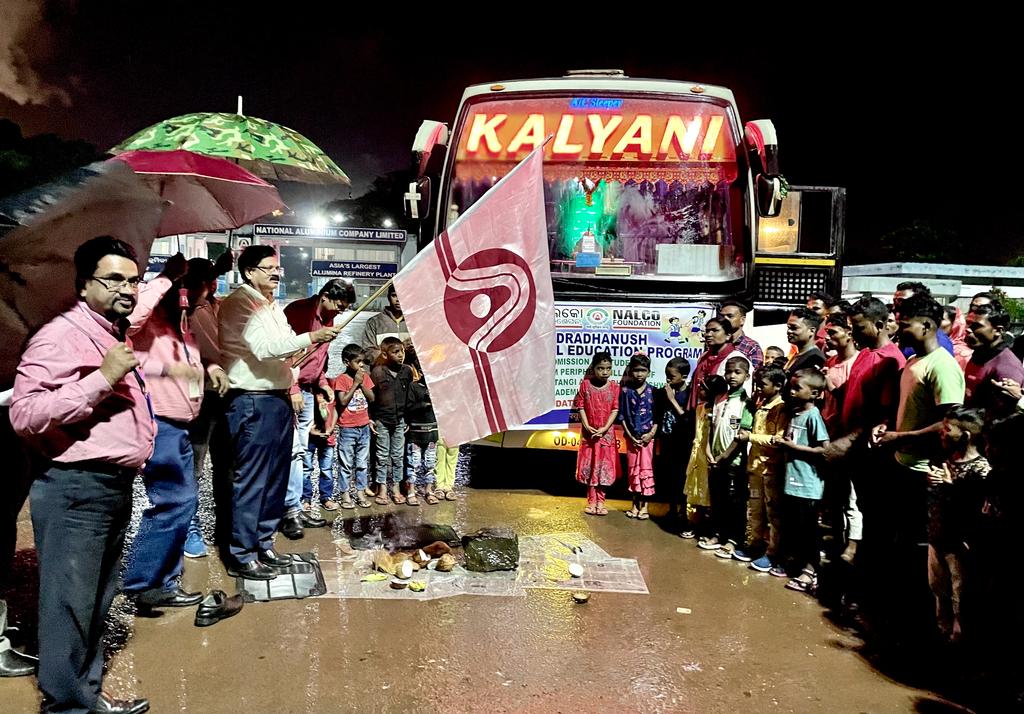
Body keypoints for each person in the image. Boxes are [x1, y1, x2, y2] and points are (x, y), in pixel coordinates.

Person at [10, 236, 155, 714]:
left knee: (93, 602)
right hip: (76, 488)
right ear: (83, 284)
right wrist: (102, 378)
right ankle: (67, 706)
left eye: (133, 280)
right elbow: (25, 414)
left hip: (108, 486)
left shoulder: (110, 332)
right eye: (113, 279)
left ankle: (85, 696)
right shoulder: (60, 336)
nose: (127, 289)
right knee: (69, 606)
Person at [218, 245, 340, 579]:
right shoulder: (240, 304)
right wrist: (311, 336)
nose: (276, 273)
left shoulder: (271, 305)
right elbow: (265, 348)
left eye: (277, 268)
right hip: (253, 400)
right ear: (249, 272)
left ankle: (263, 544)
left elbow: (287, 347)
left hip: (277, 398)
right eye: (268, 268)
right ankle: (242, 554)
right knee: (253, 480)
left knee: (275, 478)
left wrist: (308, 348)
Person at [122, 254, 231, 611]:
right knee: (174, 501)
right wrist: (166, 277)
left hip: (182, 424)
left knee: (180, 502)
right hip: (161, 423)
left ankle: (162, 580)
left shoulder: (180, 323)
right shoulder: (147, 317)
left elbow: (191, 360)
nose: (200, 299)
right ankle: (144, 582)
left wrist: (210, 367)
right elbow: (130, 322)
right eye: (194, 291)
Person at [872, 293, 964, 567]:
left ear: (926, 326)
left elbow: (951, 424)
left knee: (916, 545)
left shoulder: (942, 366)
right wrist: (887, 426)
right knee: (899, 537)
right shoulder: (914, 361)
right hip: (903, 463)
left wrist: (900, 437)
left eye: (904, 325)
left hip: (924, 471)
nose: (898, 331)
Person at [284, 279, 353, 531]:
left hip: (308, 390)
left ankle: (295, 508)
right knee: (290, 453)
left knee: (300, 453)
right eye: (339, 306)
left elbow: (318, 357)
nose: (340, 312)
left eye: (344, 308)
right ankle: (287, 510)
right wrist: (292, 388)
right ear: (324, 296)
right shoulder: (299, 312)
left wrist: (322, 382)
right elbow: (284, 353)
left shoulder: (330, 318)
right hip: (288, 391)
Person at [927, 406, 990, 644]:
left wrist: (949, 487)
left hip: (960, 543)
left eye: (947, 429)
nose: (941, 433)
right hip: (937, 536)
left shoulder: (981, 470)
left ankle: (959, 639)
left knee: (959, 593)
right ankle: (942, 632)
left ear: (965, 436)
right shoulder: (944, 460)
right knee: (938, 587)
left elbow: (975, 511)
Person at [183, 255, 232, 559]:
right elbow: (216, 351)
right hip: (200, 399)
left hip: (224, 396)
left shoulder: (218, 306)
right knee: (194, 469)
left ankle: (226, 526)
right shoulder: (192, 310)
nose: (213, 284)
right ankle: (191, 528)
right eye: (207, 278)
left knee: (227, 468)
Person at [774, 369, 830, 592]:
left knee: (809, 531)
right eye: (792, 387)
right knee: (795, 527)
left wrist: (793, 447)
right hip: (792, 482)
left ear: (815, 393)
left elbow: (824, 450)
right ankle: (796, 564)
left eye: (798, 388)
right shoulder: (795, 414)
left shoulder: (813, 416)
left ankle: (810, 570)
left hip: (808, 485)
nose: (792, 391)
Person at [820, 313, 863, 566]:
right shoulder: (831, 361)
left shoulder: (857, 363)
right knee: (834, 495)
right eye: (827, 333)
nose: (828, 338)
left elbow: (850, 400)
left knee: (851, 497)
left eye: (833, 332)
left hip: (849, 437)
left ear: (849, 332)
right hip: (829, 435)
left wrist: (829, 385)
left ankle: (853, 546)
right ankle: (836, 539)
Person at [700, 355, 753, 558]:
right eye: (729, 372)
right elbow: (712, 428)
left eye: (737, 372)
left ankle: (733, 539)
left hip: (734, 462)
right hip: (715, 460)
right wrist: (708, 450)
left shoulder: (746, 403)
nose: (732, 376)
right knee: (718, 499)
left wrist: (725, 455)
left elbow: (741, 435)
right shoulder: (719, 399)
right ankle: (718, 534)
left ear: (747, 376)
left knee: (735, 502)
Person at [737, 363, 787, 572]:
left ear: (778, 385)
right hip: (756, 467)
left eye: (763, 384)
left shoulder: (780, 408)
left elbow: (778, 439)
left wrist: (751, 437)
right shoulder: (762, 404)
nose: (758, 388)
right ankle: (755, 543)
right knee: (755, 509)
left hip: (771, 469)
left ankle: (773, 552)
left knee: (773, 513)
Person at [573, 351, 621, 516]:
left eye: (608, 368)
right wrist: (586, 425)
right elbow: (580, 406)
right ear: (593, 369)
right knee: (592, 466)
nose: (605, 372)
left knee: (603, 468)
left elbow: (615, 409)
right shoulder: (585, 385)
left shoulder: (614, 387)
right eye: (601, 368)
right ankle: (591, 501)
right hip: (590, 435)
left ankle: (601, 502)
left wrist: (605, 428)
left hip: (606, 435)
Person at [370, 336, 414, 504]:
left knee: (398, 455)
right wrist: (371, 418)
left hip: (400, 419)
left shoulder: (407, 371)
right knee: (382, 455)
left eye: (402, 351)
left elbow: (409, 396)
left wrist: (407, 419)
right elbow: (372, 398)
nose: (401, 355)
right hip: (382, 419)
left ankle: (395, 487)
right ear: (385, 354)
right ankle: (382, 488)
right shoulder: (377, 372)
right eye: (396, 352)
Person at [963, 301, 1024, 418]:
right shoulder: (980, 355)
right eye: (968, 325)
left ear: (998, 330)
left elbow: (1003, 417)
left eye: (976, 326)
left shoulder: (1007, 368)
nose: (968, 330)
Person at [333, 344, 375, 509]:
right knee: (346, 463)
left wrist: (362, 383)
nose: (361, 364)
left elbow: (372, 398)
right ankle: (345, 494)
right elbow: (343, 401)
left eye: (362, 361)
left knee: (362, 463)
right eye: (358, 361)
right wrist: (355, 383)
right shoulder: (342, 379)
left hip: (364, 426)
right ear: (346, 362)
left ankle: (360, 492)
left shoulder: (365, 377)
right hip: (347, 428)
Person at [684, 375, 726, 539]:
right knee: (694, 490)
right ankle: (693, 523)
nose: (699, 390)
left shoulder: (718, 411)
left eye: (703, 388)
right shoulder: (700, 409)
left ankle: (707, 528)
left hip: (709, 456)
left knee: (707, 492)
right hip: (697, 455)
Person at [621, 352, 657, 520]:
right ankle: (634, 505)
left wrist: (650, 435)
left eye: (643, 370)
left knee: (646, 471)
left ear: (649, 372)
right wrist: (630, 436)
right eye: (636, 370)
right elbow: (622, 416)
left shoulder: (654, 392)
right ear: (630, 371)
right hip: (632, 439)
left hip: (647, 440)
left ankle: (645, 507)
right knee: (633, 471)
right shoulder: (626, 392)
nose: (639, 374)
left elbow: (658, 417)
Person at [654, 357, 691, 522]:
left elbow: (686, 418)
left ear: (684, 376)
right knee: (669, 477)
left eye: (672, 376)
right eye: (666, 376)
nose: (668, 380)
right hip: (667, 440)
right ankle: (672, 509)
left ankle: (683, 511)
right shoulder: (665, 392)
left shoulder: (689, 394)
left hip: (681, 443)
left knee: (681, 478)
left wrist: (672, 400)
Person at [405, 343, 439, 506]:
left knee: (430, 463)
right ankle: (411, 491)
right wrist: (424, 404)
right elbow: (409, 407)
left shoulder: (438, 388)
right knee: (414, 463)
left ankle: (429, 490)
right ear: (420, 370)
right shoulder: (414, 387)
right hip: (416, 434)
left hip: (432, 433)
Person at [686, 316, 739, 411]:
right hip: (700, 412)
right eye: (707, 331)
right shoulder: (703, 358)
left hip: (723, 412)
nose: (708, 334)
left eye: (715, 330)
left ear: (728, 335)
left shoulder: (736, 359)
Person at [892, 282, 955, 358]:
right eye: (894, 301)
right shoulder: (911, 350)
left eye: (901, 301)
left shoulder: (939, 343)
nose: (894, 307)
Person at [302, 392, 339, 509]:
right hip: (309, 437)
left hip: (327, 436)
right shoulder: (307, 392)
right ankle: (305, 498)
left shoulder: (329, 390)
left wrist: (331, 427)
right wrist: (310, 431)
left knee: (326, 469)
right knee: (306, 469)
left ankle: (326, 497)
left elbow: (335, 409)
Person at [361, 284, 410, 363]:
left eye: (402, 295)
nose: (398, 299)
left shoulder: (414, 322)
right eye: (394, 296)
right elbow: (368, 353)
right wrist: (397, 350)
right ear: (388, 297)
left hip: (408, 369)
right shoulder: (374, 322)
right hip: (382, 369)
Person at [720, 300, 764, 371]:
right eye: (722, 316)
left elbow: (756, 373)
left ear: (742, 320)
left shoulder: (751, 347)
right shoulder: (714, 343)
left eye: (730, 316)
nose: (724, 319)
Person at [784, 308, 826, 375]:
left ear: (812, 331)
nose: (789, 331)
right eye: (788, 327)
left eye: (794, 328)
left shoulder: (814, 359)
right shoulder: (799, 354)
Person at [941, 305, 973, 371]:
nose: (935, 322)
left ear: (955, 324)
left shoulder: (964, 354)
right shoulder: (934, 345)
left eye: (941, 319)